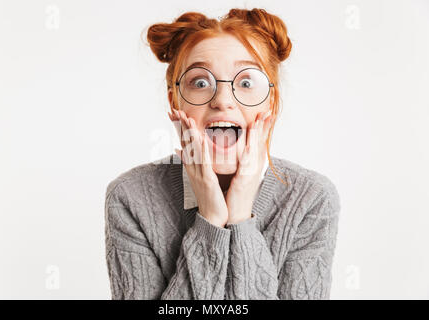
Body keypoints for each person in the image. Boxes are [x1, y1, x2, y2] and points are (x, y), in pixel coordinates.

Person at [104, 8, 341, 300]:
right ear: (174, 102)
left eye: (245, 82)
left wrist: (240, 217)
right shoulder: (130, 197)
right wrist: (210, 219)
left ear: (272, 102)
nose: (223, 100)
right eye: (201, 83)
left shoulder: (311, 199)